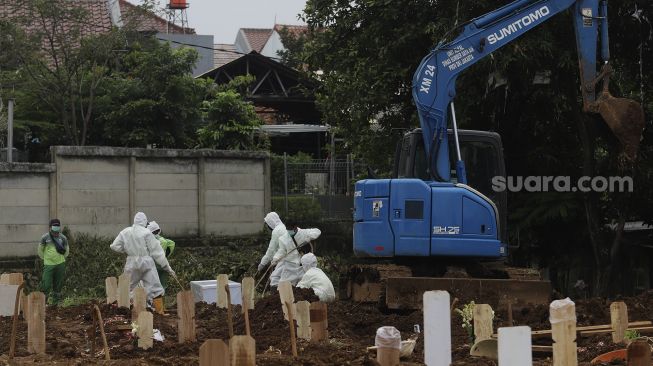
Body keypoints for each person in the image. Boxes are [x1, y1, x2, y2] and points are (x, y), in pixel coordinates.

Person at [110, 212, 175, 312]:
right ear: (145, 221)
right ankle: (160, 312)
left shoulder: (125, 232)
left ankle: (122, 311)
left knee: (126, 287)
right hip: (146, 262)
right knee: (156, 288)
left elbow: (114, 246)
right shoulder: (146, 232)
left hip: (131, 262)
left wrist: (127, 250)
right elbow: (157, 252)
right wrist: (167, 268)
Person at [38, 218, 69, 305]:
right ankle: (43, 302)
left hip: (60, 264)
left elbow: (66, 251)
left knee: (58, 285)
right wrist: (46, 259)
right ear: (50, 227)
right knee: (46, 284)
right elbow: (40, 250)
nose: (56, 227)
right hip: (48, 265)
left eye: (57, 225)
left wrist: (61, 259)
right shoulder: (45, 238)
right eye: (54, 225)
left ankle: (55, 303)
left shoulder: (63, 238)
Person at [146, 221, 176, 291]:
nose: (156, 233)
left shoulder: (160, 241)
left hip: (156, 267)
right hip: (159, 266)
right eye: (155, 232)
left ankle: (157, 300)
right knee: (160, 287)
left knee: (156, 287)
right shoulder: (164, 241)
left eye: (156, 231)